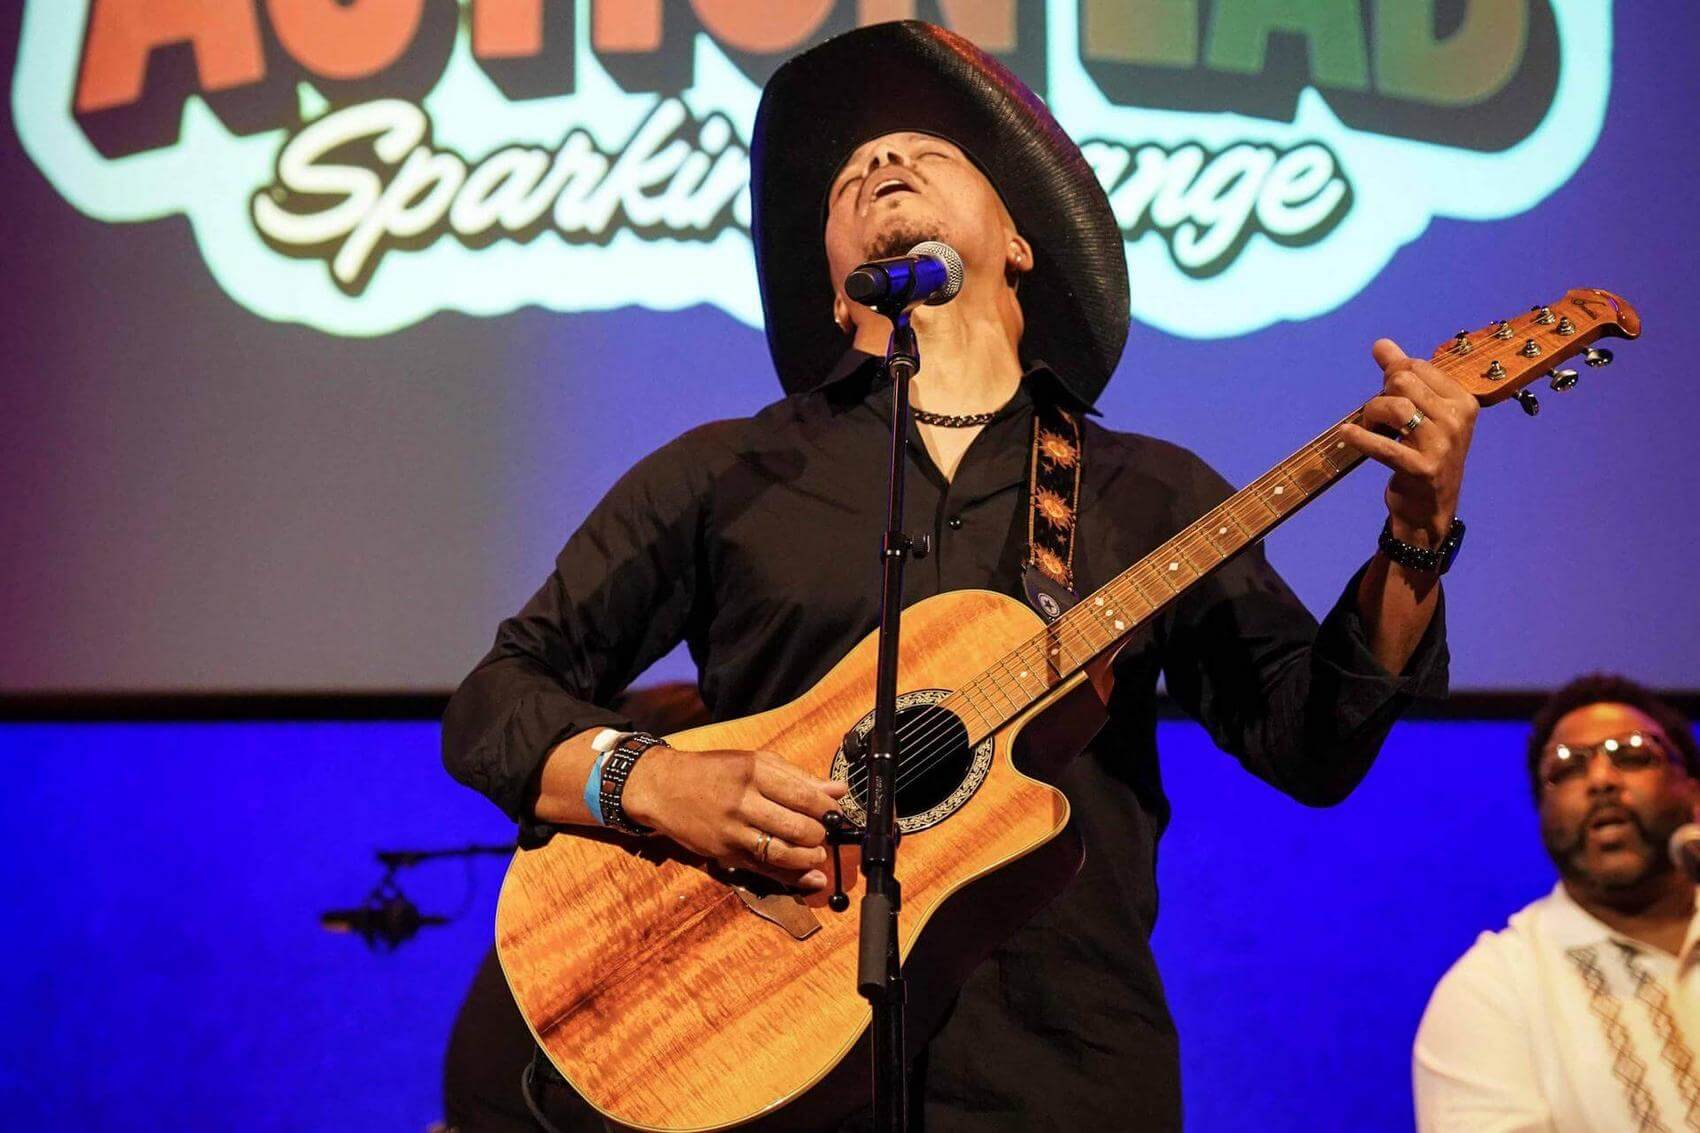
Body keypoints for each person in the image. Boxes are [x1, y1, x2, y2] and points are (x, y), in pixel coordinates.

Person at [443, 21, 1471, 1132]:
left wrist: (1413, 534)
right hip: (761, 1052)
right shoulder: (726, 472)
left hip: (1061, 1062)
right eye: (848, 178)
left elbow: (1309, 742)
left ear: (1018, 243)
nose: (882, 166)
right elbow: (498, 699)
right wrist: (650, 778)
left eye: (927, 157)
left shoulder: (1147, 492)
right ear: (837, 295)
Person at [1414, 675, 1700, 1133]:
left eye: (1631, 754)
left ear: (1694, 791)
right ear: (1542, 813)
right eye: (1566, 768)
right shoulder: (1492, 992)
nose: (1601, 780)